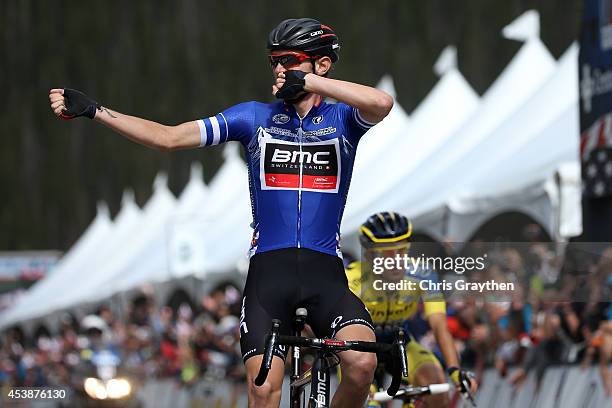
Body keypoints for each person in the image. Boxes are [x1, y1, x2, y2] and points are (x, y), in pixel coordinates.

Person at [49, 18, 393, 408]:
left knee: (363, 362)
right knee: (263, 392)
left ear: (322, 65)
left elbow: (381, 103)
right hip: (270, 275)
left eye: (289, 60)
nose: (279, 69)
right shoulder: (253, 117)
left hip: (325, 273)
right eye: (273, 61)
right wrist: (94, 110)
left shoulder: (343, 121)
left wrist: (309, 84)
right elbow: (169, 138)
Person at [345, 211, 477, 407]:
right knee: (362, 396)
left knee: (436, 385)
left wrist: (455, 370)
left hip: (400, 343)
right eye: (387, 253)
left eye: (402, 251)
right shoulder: (352, 279)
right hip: (360, 348)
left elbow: (439, 326)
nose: (397, 260)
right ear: (370, 255)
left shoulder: (423, 274)